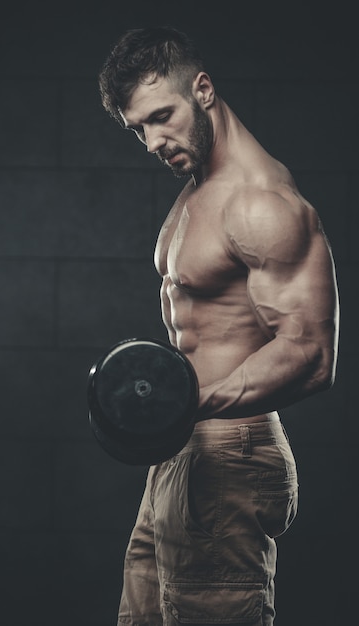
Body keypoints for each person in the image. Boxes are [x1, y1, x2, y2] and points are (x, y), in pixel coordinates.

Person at [98, 26, 339, 625]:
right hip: (183, 450)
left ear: (202, 90)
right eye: (139, 129)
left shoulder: (261, 204)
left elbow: (310, 353)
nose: (154, 140)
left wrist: (187, 404)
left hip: (229, 450)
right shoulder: (198, 187)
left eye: (162, 116)